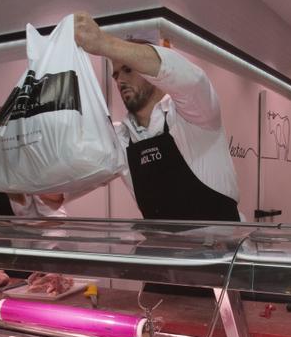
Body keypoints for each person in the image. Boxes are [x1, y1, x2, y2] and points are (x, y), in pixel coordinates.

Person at [71, 12, 241, 221]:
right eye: (116, 75)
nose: (120, 80)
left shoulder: (195, 113)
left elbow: (192, 80)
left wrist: (104, 44)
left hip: (221, 249)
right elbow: (67, 180)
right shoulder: (120, 139)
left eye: (128, 69)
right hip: (164, 251)